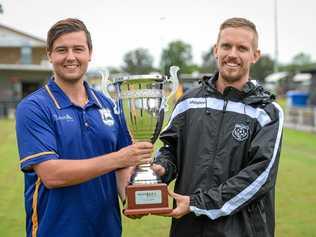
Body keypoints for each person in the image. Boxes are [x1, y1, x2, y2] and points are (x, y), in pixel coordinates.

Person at [15, 18, 153, 237]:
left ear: (90, 53)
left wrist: (130, 198)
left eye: (78, 49)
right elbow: (51, 175)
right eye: (62, 50)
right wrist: (118, 158)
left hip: (107, 231)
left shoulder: (108, 105)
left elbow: (123, 167)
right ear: (50, 55)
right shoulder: (33, 107)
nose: (71, 57)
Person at [152, 17, 284, 237]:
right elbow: (170, 149)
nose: (232, 54)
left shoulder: (267, 112)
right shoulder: (188, 102)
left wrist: (198, 203)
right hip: (188, 228)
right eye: (226, 46)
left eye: (242, 48)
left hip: (243, 231)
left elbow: (260, 176)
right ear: (216, 50)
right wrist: (161, 168)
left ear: (255, 55)